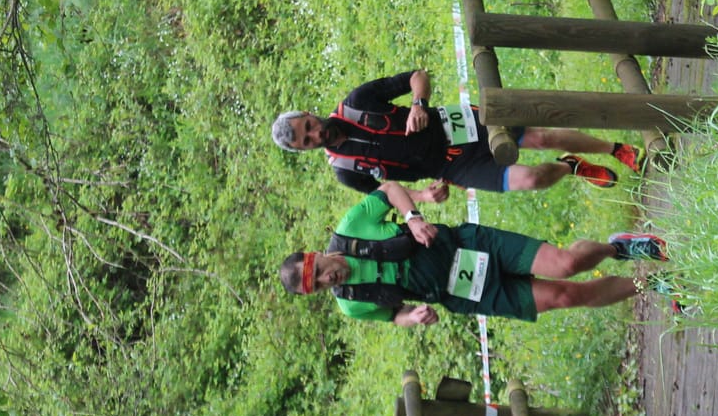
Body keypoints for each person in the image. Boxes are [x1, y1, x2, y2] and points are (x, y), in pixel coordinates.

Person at [279, 185, 667, 325]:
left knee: (568, 263)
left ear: (317, 255)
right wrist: (412, 317)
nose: (328, 282)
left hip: (469, 246)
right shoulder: (351, 303)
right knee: (568, 296)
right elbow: (392, 316)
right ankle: (650, 283)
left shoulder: (351, 228)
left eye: (320, 273)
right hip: (466, 292)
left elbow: (390, 189)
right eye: (318, 289)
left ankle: (618, 247)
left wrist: (413, 217)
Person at [270, 68, 641, 194]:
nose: (315, 135)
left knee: (541, 137)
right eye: (307, 141)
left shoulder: (359, 100)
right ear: (305, 151)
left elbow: (418, 77)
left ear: (307, 113)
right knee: (529, 179)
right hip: (451, 169)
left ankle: (614, 148)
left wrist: (418, 104)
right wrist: (423, 199)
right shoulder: (345, 171)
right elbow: (390, 194)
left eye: (308, 126)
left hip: (456, 126)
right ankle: (571, 166)